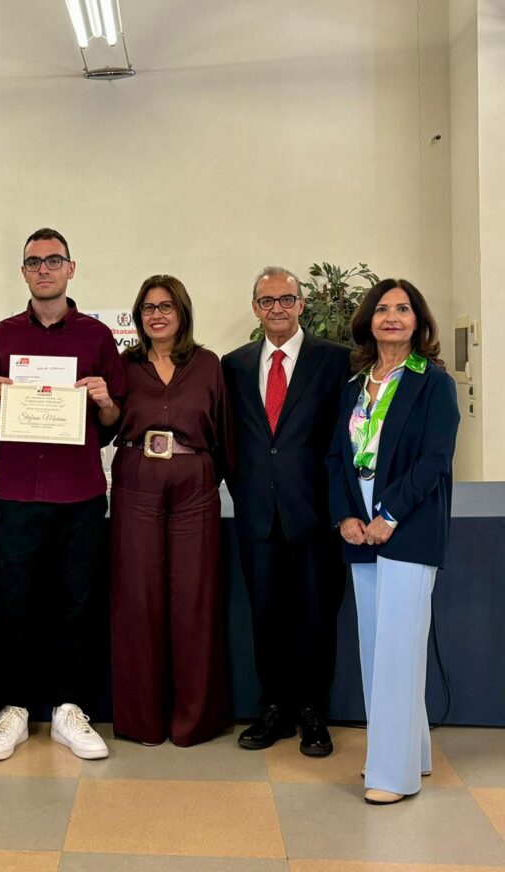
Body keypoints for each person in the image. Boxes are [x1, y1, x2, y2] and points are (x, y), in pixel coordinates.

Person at [0, 227, 124, 762]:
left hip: (79, 492)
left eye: (53, 260)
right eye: (34, 262)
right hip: (17, 491)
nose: (44, 269)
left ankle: (68, 709)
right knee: (16, 603)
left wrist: (105, 400)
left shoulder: (98, 337)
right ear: (23, 272)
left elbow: (112, 423)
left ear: (70, 268)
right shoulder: (1, 334)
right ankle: (13, 710)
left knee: (76, 605)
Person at [327, 279, 458, 804]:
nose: (392, 317)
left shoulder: (433, 382)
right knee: (378, 647)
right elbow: (336, 459)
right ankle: (415, 753)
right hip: (360, 532)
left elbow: (434, 461)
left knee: (399, 650)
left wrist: (389, 514)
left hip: (409, 530)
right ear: (368, 321)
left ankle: (390, 775)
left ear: (418, 321)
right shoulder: (357, 384)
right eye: (382, 309)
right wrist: (345, 517)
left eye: (403, 309)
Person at [221, 266, 349, 757]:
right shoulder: (234, 365)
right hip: (257, 517)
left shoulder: (335, 361)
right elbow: (233, 440)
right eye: (266, 300)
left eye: (286, 299)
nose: (277, 308)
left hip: (315, 517)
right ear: (255, 307)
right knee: (266, 618)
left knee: (318, 618)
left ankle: (314, 713)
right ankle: (273, 709)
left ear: (302, 304)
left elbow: (343, 438)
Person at [110, 275, 233, 747]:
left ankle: (194, 721)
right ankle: (143, 720)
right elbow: (105, 425)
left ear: (182, 312)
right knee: (138, 600)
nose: (156, 315)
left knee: (194, 599)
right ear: (139, 317)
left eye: (166, 306)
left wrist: (204, 477)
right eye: (147, 308)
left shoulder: (207, 364)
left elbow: (223, 431)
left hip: (194, 485)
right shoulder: (124, 366)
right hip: (137, 481)